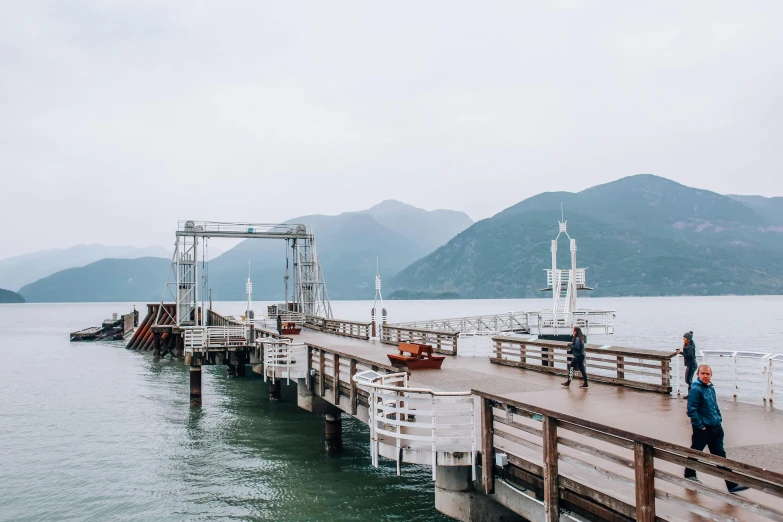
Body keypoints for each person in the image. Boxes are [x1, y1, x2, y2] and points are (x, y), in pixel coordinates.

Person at [684, 365, 749, 493]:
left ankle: (731, 484)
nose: (705, 376)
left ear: (711, 375)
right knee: (696, 452)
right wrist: (700, 426)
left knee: (720, 456)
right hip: (703, 430)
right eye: (702, 373)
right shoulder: (696, 389)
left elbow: (715, 406)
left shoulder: (710, 388)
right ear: (697, 375)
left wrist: (719, 419)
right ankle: (689, 474)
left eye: (708, 374)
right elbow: (691, 410)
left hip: (715, 428)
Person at [675, 331, 698, 398]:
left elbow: (690, 356)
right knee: (688, 380)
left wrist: (681, 353)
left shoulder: (689, 346)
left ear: (687, 339)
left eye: (684, 338)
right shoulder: (691, 344)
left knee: (688, 380)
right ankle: (691, 394)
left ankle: (692, 394)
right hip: (691, 365)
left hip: (691, 365)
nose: (683, 339)